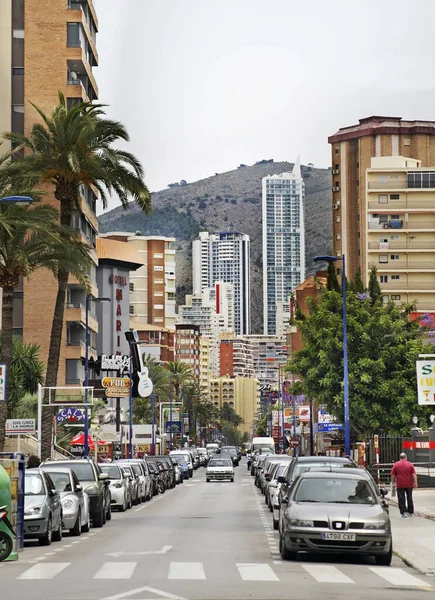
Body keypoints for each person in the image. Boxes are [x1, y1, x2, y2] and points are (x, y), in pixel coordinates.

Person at [391, 452, 418, 518]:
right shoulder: (410, 464)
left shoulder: (396, 465)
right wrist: (415, 482)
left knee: (401, 498)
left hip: (400, 484)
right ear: (406, 457)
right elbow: (414, 474)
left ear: (400, 458)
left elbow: (393, 474)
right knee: (409, 497)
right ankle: (410, 511)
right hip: (409, 484)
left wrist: (393, 481)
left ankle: (403, 512)